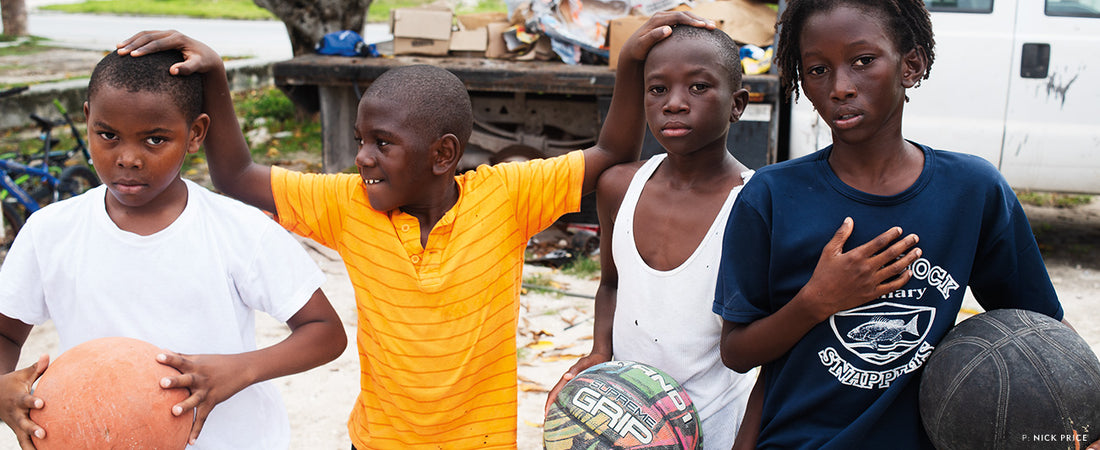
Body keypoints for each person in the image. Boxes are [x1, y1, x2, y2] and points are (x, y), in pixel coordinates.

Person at [115, 12, 714, 449]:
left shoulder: (506, 197)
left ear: (442, 154)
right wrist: (216, 76)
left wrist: (631, 64)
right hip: (378, 442)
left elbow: (611, 151)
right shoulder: (348, 205)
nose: (363, 159)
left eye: (383, 144)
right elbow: (239, 175)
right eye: (360, 141)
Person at [711, 0, 1095, 449]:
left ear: (911, 65)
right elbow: (736, 353)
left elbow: (1042, 329)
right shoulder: (772, 196)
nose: (840, 87)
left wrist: (1089, 419)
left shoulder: (972, 191)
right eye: (817, 70)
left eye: (863, 61)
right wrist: (817, 301)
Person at [0, 49, 347, 449]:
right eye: (108, 135)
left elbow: (326, 332)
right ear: (86, 121)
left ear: (196, 133)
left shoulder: (239, 229)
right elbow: (6, 334)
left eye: (155, 139)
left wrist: (241, 369)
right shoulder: (50, 231)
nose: (128, 158)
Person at [545, 24, 755, 449]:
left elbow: (762, 350)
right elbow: (611, 283)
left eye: (698, 87)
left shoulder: (753, 205)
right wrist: (600, 349)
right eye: (657, 89)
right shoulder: (620, 186)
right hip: (624, 424)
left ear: (737, 105)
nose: (674, 103)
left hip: (715, 427)